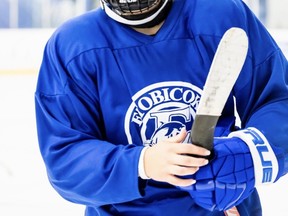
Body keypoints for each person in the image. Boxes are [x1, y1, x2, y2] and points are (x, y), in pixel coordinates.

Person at [35, 0, 288, 215]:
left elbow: (278, 99)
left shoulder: (219, 15)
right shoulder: (74, 46)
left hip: (223, 208)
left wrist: (248, 152)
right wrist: (142, 162)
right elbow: (65, 158)